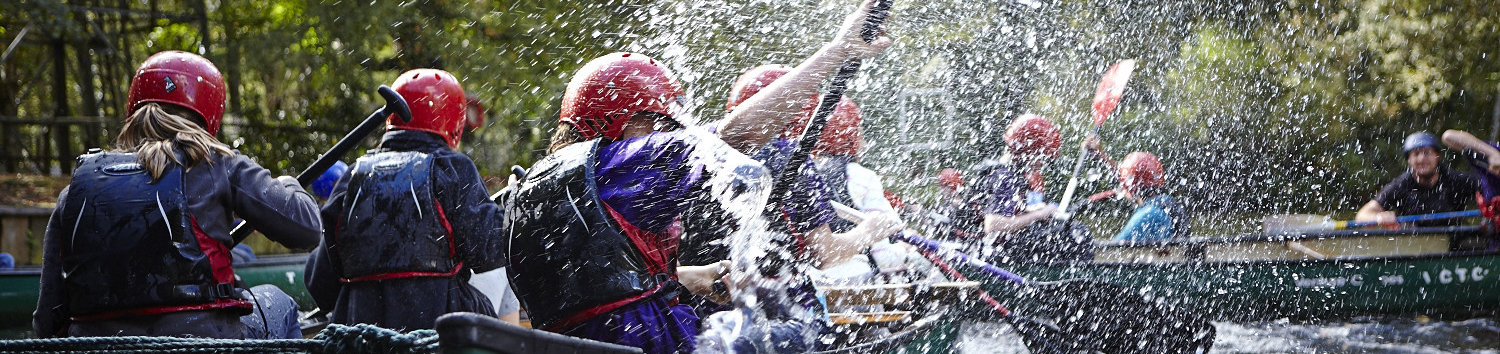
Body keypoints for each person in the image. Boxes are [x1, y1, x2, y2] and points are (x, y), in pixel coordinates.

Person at [506, 4, 891, 351]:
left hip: (584, 342)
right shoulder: (625, 163)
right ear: (630, 124)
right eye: (661, 126)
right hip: (655, 344)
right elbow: (733, 137)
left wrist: (693, 275)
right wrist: (839, 49)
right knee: (802, 336)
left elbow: (597, 286)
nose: (668, 137)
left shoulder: (541, 182)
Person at [33, 51, 321, 339]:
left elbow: (47, 318)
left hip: (97, 344)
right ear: (209, 114)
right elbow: (307, 229)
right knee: (278, 300)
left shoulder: (76, 192)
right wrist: (288, 184)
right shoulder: (217, 165)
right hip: (204, 338)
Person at [303, 69, 509, 331]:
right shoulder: (452, 169)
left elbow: (319, 283)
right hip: (437, 332)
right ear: (454, 123)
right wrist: (506, 213)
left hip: (361, 334)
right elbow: (489, 252)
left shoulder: (353, 176)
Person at [972, 114, 1092, 261]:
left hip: (989, 249)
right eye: (1042, 157)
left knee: (1067, 230)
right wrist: (1038, 215)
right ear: (1028, 151)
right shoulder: (1005, 177)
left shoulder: (1005, 171)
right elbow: (992, 224)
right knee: (1076, 235)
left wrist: (1030, 210)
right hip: (990, 255)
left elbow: (1004, 212)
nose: (1043, 163)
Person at [1355, 132, 1478, 227]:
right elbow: (1362, 215)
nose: (1421, 159)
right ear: (1409, 160)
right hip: (1416, 246)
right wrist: (1379, 217)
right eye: (1416, 154)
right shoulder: (1402, 184)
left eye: (1426, 153)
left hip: (1455, 246)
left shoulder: (1456, 179)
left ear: (1438, 156)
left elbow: (1489, 189)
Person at [1083, 139, 1190, 242]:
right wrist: (1100, 155)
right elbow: (1130, 180)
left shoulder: (1147, 215)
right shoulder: (1167, 205)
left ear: (1131, 188)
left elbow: (1109, 252)